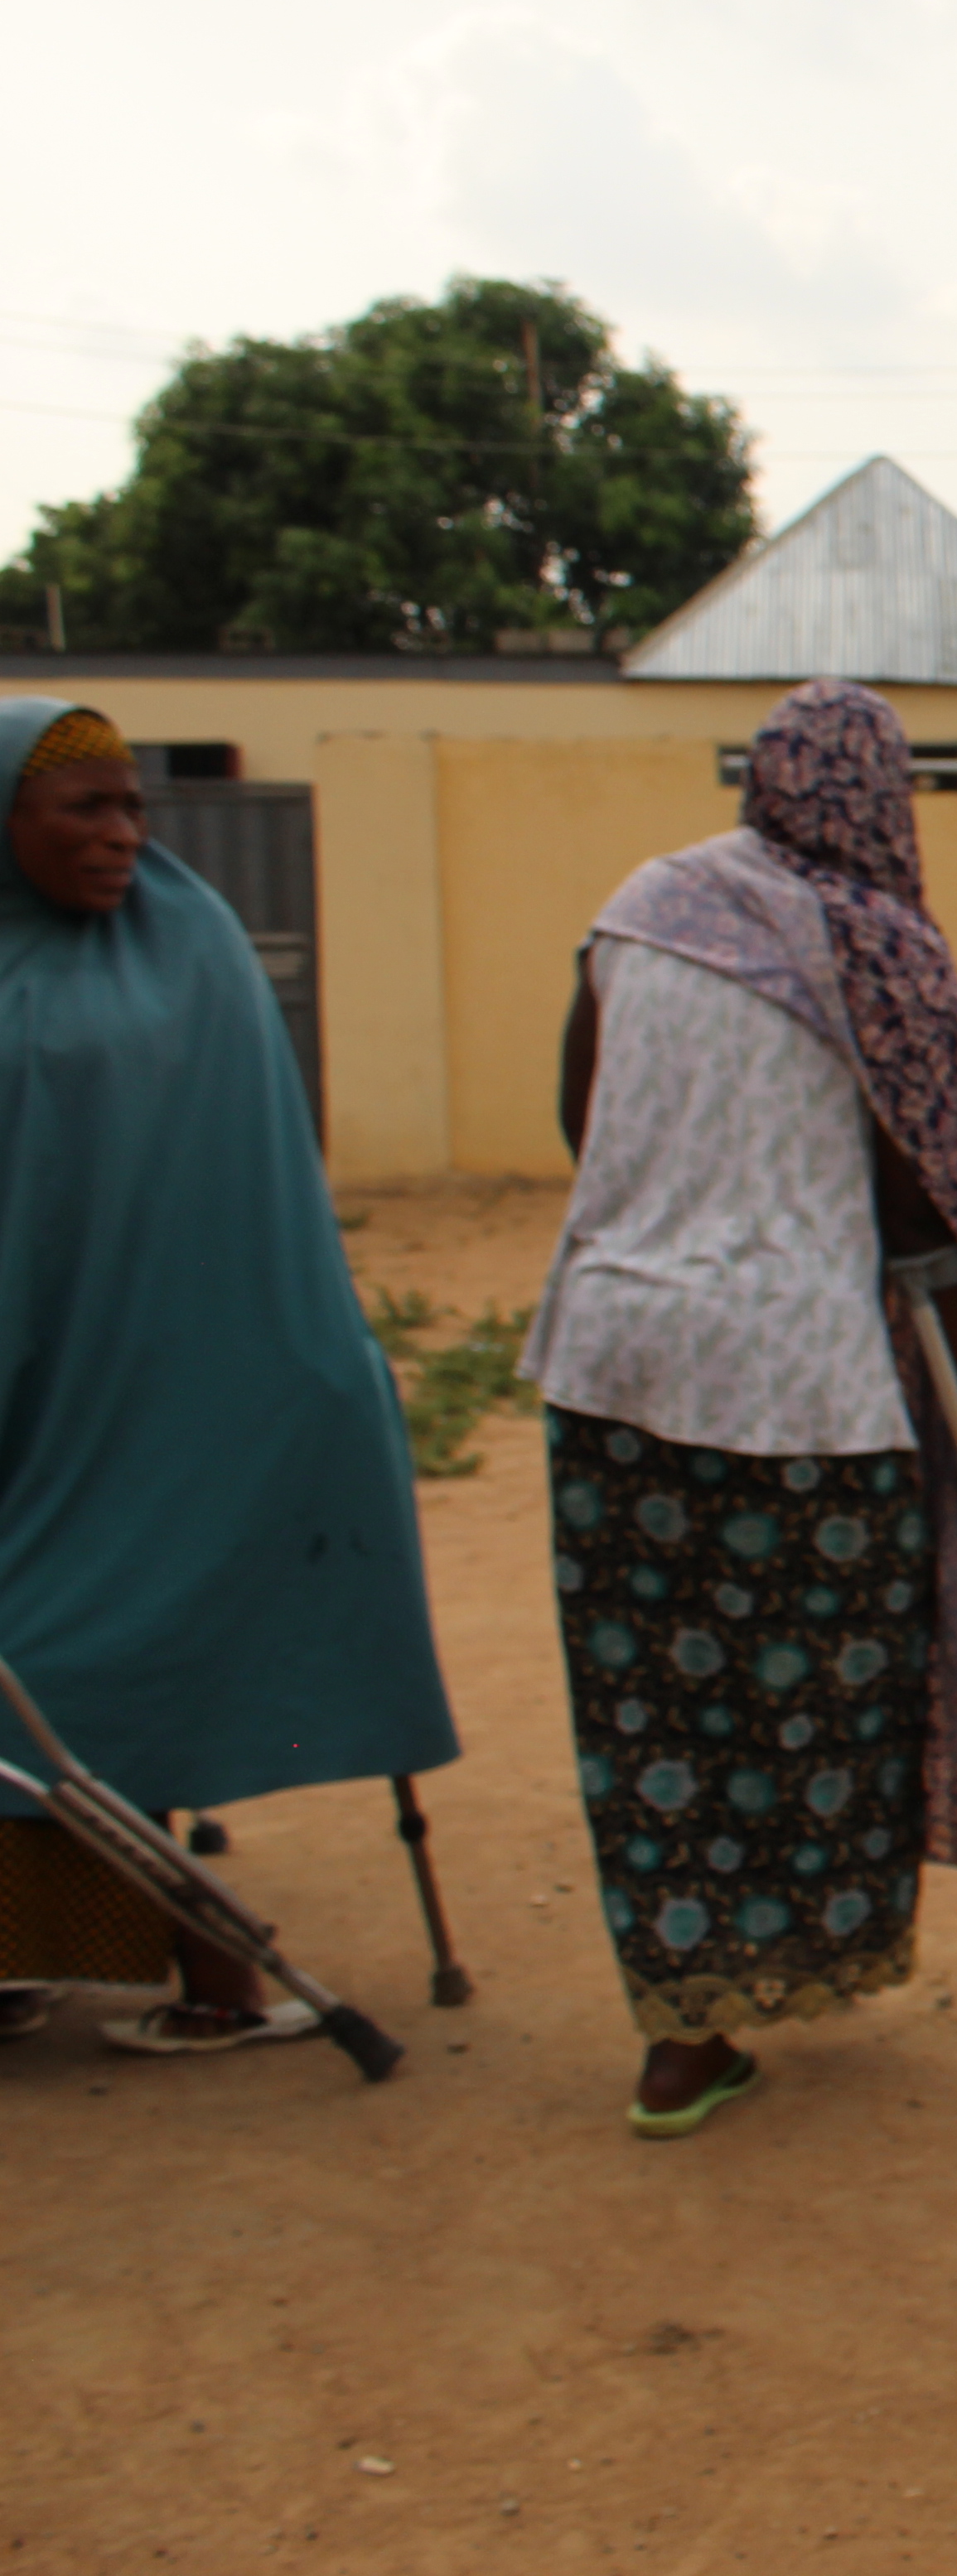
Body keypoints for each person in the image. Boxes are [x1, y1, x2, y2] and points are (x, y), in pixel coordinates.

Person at [525, 678, 957, 2139]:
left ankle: (681, 2031)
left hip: (607, 1364)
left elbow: (587, 1120)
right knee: (814, 1704)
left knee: (652, 1711)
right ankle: (781, 1959)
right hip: (795, 1381)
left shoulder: (641, 902)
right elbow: (933, 1203)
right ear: (882, 799)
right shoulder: (878, 944)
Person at [0, 699, 457, 2054]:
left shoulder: (192, 940)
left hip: (206, 1385)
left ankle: (222, 1983)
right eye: (85, 807)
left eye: (133, 804)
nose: (123, 834)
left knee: (112, 1662)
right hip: (51, 1379)